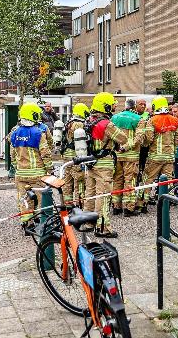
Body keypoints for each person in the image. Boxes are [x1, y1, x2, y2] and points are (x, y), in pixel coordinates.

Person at [83, 92, 132, 238]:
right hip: (104, 164)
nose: (113, 107)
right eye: (111, 105)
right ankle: (103, 228)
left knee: (90, 193)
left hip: (91, 161)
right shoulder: (106, 124)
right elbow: (122, 138)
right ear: (105, 106)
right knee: (103, 195)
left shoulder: (89, 120)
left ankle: (88, 222)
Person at [8, 103, 53, 230]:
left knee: (24, 199)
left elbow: (13, 154)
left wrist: (17, 167)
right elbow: (45, 153)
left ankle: (27, 224)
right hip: (37, 174)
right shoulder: (38, 132)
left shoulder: (15, 133)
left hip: (21, 174)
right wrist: (50, 169)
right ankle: (41, 224)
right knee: (40, 200)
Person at [138, 96, 178, 211]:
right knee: (168, 180)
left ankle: (143, 204)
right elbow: (177, 140)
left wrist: (145, 145)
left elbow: (149, 139)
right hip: (169, 157)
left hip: (155, 157)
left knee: (148, 179)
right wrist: (173, 153)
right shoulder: (174, 120)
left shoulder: (153, 120)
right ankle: (167, 203)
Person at [111, 100, 145, 216]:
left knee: (117, 179)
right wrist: (126, 147)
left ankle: (116, 207)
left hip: (117, 155)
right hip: (131, 155)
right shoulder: (138, 119)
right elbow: (139, 138)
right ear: (134, 107)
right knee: (130, 180)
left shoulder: (114, 118)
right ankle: (128, 208)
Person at [61, 103, 90, 206]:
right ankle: (79, 204)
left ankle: (68, 204)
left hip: (66, 155)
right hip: (76, 155)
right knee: (80, 181)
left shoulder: (68, 122)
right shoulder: (79, 124)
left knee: (67, 181)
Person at [135, 99, 150, 186]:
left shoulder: (148, 116)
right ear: (136, 105)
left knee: (144, 169)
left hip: (145, 147)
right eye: (141, 104)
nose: (143, 106)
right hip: (135, 146)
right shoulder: (132, 115)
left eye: (144, 104)